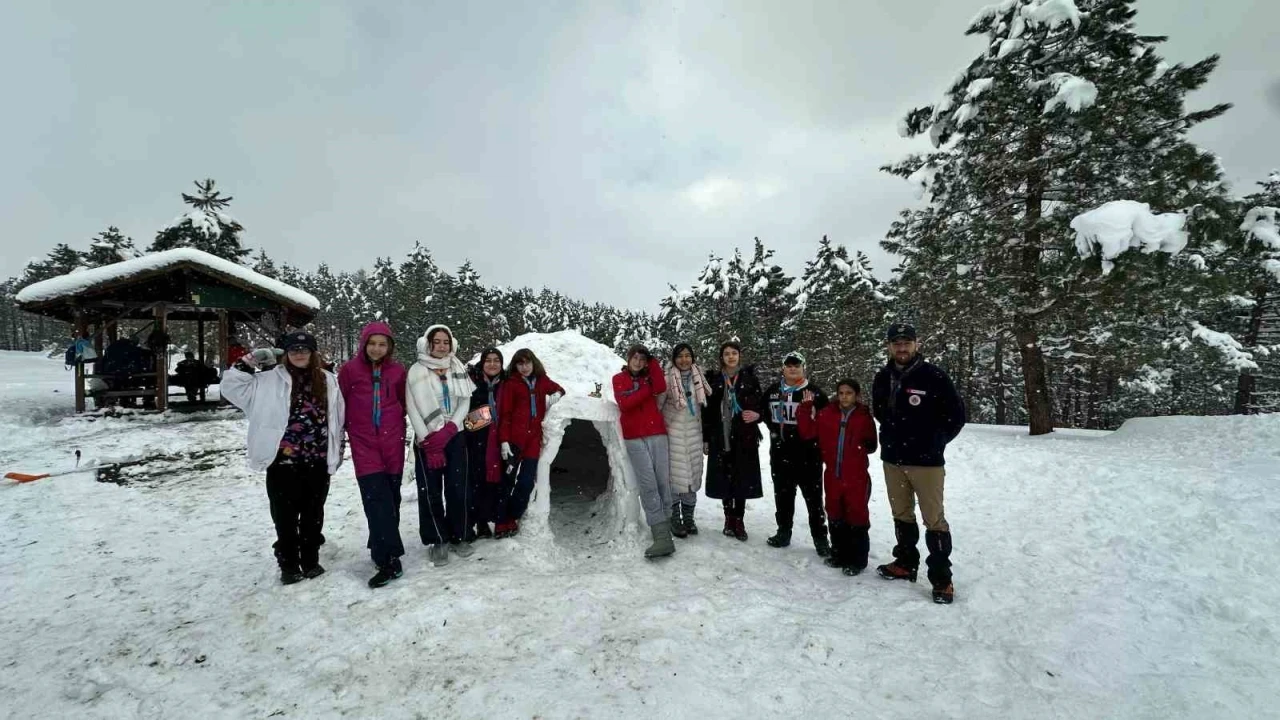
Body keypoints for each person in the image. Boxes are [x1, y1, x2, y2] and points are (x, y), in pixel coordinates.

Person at [221, 330, 345, 585]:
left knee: (313, 514)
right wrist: (247, 362)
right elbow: (231, 388)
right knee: (284, 517)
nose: (300, 354)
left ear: (313, 353)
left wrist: (338, 449)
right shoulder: (266, 380)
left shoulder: (328, 380)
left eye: (305, 350)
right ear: (285, 354)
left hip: (318, 460)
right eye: (294, 350)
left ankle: (311, 560)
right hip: (281, 462)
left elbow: (338, 418)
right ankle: (289, 564)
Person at [871, 322, 966, 605]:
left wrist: (935, 442)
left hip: (927, 463)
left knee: (933, 519)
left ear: (916, 344)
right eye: (896, 343)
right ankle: (905, 562)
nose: (902, 348)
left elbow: (956, 415)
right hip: (893, 459)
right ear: (889, 346)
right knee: (901, 513)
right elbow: (879, 411)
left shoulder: (933, 376)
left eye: (906, 342)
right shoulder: (883, 376)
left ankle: (941, 578)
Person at [338, 322, 409, 588]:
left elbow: (404, 402)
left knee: (391, 497)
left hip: (392, 441)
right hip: (364, 443)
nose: (377, 349)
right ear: (363, 344)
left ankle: (379, 541)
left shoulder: (397, 371)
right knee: (375, 498)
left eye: (382, 344)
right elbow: (340, 404)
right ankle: (388, 559)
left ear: (389, 346)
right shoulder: (349, 370)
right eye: (372, 343)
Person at [406, 325, 477, 567]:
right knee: (431, 491)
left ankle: (460, 534)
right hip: (427, 439)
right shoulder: (416, 371)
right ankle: (437, 538)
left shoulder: (458, 367)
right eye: (437, 342)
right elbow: (412, 407)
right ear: (428, 343)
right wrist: (430, 440)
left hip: (454, 436)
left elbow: (464, 401)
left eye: (446, 341)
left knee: (459, 488)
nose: (442, 346)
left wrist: (450, 429)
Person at [796, 379, 877, 575]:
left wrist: (858, 449)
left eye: (849, 393)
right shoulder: (827, 414)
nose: (844, 397)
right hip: (832, 474)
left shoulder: (864, 416)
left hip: (856, 476)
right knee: (835, 513)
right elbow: (807, 432)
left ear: (856, 395)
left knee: (856, 515)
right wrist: (805, 409)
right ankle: (839, 553)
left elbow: (872, 445)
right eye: (841, 393)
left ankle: (857, 559)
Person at [763, 351, 831, 556]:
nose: (793, 369)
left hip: (808, 457)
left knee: (814, 500)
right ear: (783, 368)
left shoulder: (814, 393)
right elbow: (767, 416)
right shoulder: (773, 391)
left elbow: (825, 422)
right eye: (789, 365)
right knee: (783, 497)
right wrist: (776, 435)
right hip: (780, 454)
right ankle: (783, 532)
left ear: (804, 368)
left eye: (797, 365)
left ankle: (820, 538)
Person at [495, 348, 565, 538]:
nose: (524, 367)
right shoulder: (511, 384)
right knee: (506, 481)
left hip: (533, 440)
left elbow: (559, 388)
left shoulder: (541, 380)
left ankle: (513, 515)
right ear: (515, 365)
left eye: (527, 363)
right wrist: (504, 441)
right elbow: (505, 414)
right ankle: (501, 521)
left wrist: (557, 394)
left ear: (533, 363)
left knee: (526, 481)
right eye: (520, 363)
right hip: (514, 440)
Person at [613, 345, 675, 559]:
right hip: (634, 438)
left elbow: (660, 385)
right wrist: (645, 388)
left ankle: (666, 526)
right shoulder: (618, 379)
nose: (638, 362)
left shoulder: (651, 377)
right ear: (628, 359)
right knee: (648, 485)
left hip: (657, 433)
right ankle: (661, 536)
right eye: (635, 358)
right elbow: (625, 404)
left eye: (642, 359)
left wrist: (653, 361)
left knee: (663, 482)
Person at [702, 341, 764, 541]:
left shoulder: (749, 379)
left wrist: (757, 415)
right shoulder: (713, 379)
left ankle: (739, 519)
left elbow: (762, 406)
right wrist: (705, 438)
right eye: (726, 353)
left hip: (744, 436)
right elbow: (706, 412)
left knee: (742, 478)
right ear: (722, 357)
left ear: (739, 356)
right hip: (720, 436)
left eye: (734, 353)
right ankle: (728, 517)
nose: (730, 357)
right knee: (724, 477)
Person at [660, 343, 709, 538]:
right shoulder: (666, 380)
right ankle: (675, 519)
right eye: (680, 356)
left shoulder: (700, 379)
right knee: (674, 480)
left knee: (691, 480)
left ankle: (689, 518)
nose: (684, 359)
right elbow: (657, 405)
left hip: (695, 435)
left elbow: (705, 409)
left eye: (688, 355)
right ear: (674, 359)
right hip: (673, 435)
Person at [465, 348, 506, 540]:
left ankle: (491, 518)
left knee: (494, 483)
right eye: (488, 360)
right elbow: (466, 418)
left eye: (496, 360)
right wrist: (491, 413)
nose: (492, 364)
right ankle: (476, 521)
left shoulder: (506, 383)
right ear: (482, 363)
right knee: (475, 482)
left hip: (498, 442)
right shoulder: (471, 382)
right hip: (475, 442)